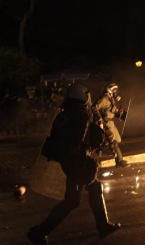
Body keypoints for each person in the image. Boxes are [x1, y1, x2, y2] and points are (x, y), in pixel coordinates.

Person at [27, 83, 120, 245]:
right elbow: (75, 145)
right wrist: (87, 148)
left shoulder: (66, 112)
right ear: (82, 96)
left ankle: (102, 225)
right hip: (77, 165)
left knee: (93, 189)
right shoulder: (80, 114)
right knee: (72, 200)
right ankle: (39, 231)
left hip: (70, 163)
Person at [91, 82, 128, 167]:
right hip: (106, 122)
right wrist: (100, 119)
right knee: (113, 141)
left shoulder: (110, 99)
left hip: (111, 122)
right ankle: (119, 161)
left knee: (117, 140)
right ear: (110, 89)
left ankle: (99, 149)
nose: (116, 92)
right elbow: (94, 108)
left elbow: (111, 111)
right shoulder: (104, 98)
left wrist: (120, 114)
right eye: (114, 90)